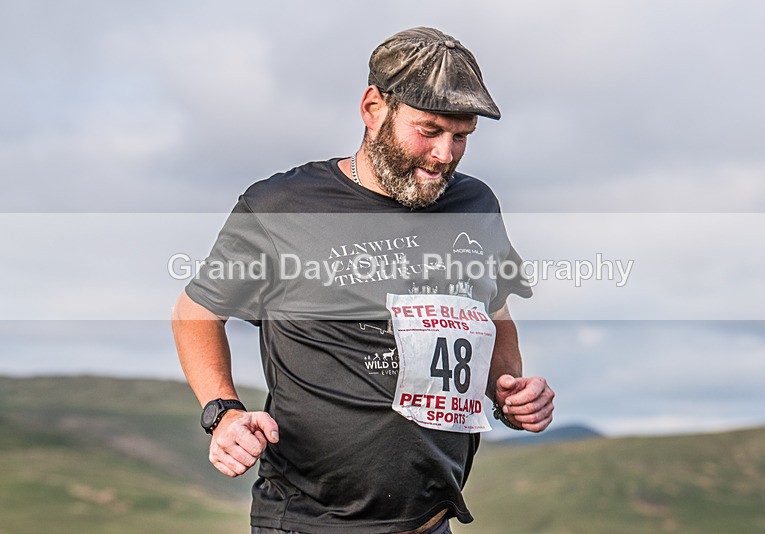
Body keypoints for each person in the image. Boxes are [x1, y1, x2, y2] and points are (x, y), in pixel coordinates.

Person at [172, 27, 555, 534]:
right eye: (429, 130)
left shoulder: (476, 205)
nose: (445, 154)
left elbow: (494, 313)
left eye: (461, 136)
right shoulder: (281, 207)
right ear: (374, 107)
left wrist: (508, 394)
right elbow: (195, 313)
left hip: (428, 523)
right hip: (310, 523)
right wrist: (223, 412)